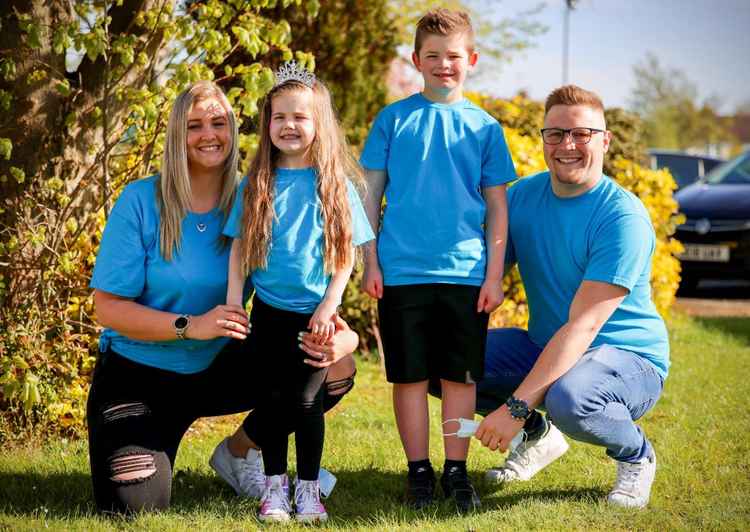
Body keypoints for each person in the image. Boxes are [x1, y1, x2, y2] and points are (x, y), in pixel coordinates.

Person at [87, 80, 360, 515]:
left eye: (218, 122)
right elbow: (107, 307)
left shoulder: (258, 191)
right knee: (133, 507)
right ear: (178, 133)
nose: (208, 134)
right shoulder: (140, 200)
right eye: (194, 125)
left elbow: (310, 283)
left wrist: (345, 342)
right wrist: (189, 326)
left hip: (219, 365)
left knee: (334, 371)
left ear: (235, 129)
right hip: (140, 374)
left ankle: (239, 452)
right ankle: (150, 446)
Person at [471, 85, 670, 509]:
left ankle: (636, 455)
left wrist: (515, 407)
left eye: (581, 134)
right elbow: (483, 271)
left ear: (605, 140)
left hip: (628, 358)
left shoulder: (622, 217)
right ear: (543, 138)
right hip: (547, 346)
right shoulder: (523, 196)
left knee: (571, 398)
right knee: (444, 356)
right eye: (556, 133)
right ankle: (538, 437)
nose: (567, 145)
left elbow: (584, 326)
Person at [359, 9, 516, 513]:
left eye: (453, 57)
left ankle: (456, 469)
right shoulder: (393, 119)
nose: (443, 65)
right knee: (407, 377)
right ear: (416, 60)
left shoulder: (486, 128)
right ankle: (418, 471)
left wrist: (494, 275)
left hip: (466, 274)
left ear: (470, 60)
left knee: (460, 379)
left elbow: (497, 207)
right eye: (433, 56)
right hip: (401, 273)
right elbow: (368, 197)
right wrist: (371, 263)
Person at [222, 62, 374, 523]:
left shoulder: (336, 186)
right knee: (272, 399)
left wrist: (330, 305)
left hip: (315, 317)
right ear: (268, 123)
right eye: (279, 117)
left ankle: (307, 491)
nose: (289, 126)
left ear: (318, 124)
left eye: (300, 117)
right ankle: (273, 489)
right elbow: (238, 251)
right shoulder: (257, 185)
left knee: (306, 402)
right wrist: (234, 298)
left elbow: (345, 254)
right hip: (268, 312)